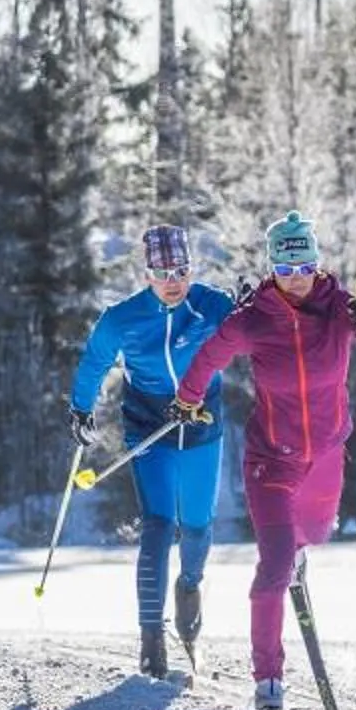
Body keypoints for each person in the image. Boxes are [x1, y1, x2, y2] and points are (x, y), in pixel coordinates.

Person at [172, 209, 356, 710]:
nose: (295, 279)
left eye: (304, 267)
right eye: (285, 269)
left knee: (312, 534)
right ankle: (268, 679)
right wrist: (187, 400)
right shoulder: (254, 319)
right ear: (272, 268)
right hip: (271, 460)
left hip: (326, 456)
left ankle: (297, 552)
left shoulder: (341, 308)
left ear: (316, 265)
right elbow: (209, 357)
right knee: (272, 568)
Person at [69, 224, 234, 678]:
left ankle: (190, 587)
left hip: (202, 425)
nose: (173, 280)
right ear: (147, 275)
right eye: (163, 273)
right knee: (159, 526)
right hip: (150, 426)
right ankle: (151, 641)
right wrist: (81, 410)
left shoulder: (210, 304)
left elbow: (255, 324)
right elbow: (94, 362)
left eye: (181, 270)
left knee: (197, 528)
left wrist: (254, 299)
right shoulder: (122, 318)